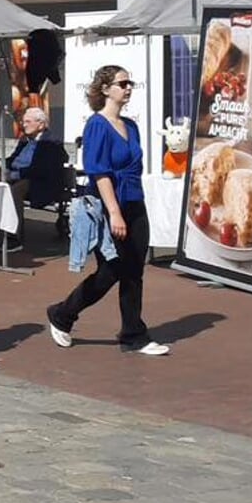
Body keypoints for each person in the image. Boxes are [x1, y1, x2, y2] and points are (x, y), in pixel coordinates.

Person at [46, 66, 170, 356]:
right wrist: (114, 212)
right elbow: (99, 172)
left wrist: (130, 208)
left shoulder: (131, 125)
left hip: (135, 202)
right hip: (107, 205)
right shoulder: (97, 125)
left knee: (134, 271)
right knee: (111, 270)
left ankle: (133, 334)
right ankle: (63, 314)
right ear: (105, 89)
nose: (128, 88)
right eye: (122, 83)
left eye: (131, 83)